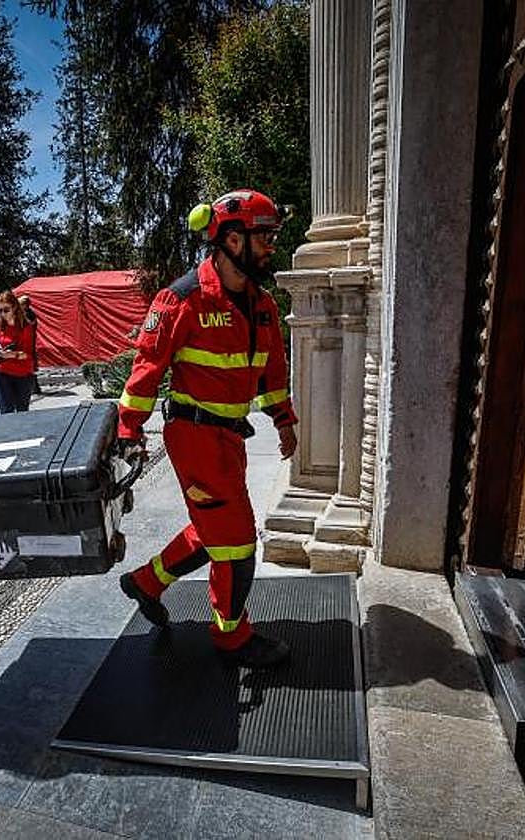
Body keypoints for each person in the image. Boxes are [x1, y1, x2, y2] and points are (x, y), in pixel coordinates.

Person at [116, 189, 299, 670]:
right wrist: (129, 430)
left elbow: (273, 372)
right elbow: (147, 368)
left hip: (231, 438)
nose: (270, 247)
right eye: (264, 238)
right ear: (232, 239)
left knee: (214, 530)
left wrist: (284, 420)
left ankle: (146, 583)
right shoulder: (181, 299)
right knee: (237, 545)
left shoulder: (262, 305)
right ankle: (232, 638)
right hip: (195, 438)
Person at [0, 291, 36, 413]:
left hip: (23, 374)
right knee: (6, 411)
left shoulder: (26, 327)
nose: (3, 314)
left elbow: (28, 355)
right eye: (0, 311)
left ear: (15, 307)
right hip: (2, 372)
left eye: (6, 310)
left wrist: (11, 354)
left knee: (22, 411)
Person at [18, 294, 42, 396]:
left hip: (28, 343)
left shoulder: (28, 314)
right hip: (26, 343)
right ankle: (33, 387)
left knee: (29, 366)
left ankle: (33, 388)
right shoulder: (27, 313)